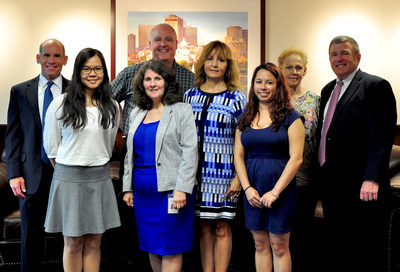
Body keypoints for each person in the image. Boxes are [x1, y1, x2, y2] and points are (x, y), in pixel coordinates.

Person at [316, 35, 397, 271]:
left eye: (344, 53)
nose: (338, 59)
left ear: (357, 57)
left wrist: (371, 178)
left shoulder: (375, 86)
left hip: (360, 185)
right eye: (333, 54)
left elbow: (381, 137)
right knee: (337, 247)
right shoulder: (327, 90)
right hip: (331, 183)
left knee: (363, 249)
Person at [43, 48, 121, 272]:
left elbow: (107, 144)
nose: (92, 73)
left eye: (97, 68)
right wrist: (69, 172)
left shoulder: (112, 106)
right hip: (69, 177)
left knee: (95, 241)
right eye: (86, 69)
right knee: (74, 242)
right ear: (78, 72)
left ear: (104, 72)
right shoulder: (60, 103)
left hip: (100, 177)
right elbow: (52, 149)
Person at [122, 60, 198, 272]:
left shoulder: (182, 110)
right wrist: (127, 188)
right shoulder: (137, 112)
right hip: (143, 196)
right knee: (152, 247)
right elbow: (130, 154)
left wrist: (182, 188)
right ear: (142, 84)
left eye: (158, 78)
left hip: (172, 194)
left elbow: (190, 152)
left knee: (171, 247)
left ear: (167, 82)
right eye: (148, 79)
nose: (153, 83)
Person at [234, 63, 305, 272]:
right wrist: (247, 189)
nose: (263, 87)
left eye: (269, 82)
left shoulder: (291, 117)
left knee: (279, 246)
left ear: (278, 86)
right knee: (260, 244)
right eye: (258, 82)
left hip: (280, 190)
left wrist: (275, 192)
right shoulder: (245, 117)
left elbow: (297, 159)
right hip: (252, 190)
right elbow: (238, 156)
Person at [5, 38, 69, 272]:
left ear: (65, 60)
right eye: (47, 55)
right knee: (30, 240)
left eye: (56, 56)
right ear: (38, 58)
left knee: (68, 240)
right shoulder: (20, 91)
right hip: (29, 176)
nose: (51, 61)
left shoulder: (76, 92)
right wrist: (14, 174)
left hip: (65, 176)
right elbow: (13, 136)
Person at [184, 40, 247, 272]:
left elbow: (245, 142)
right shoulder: (189, 96)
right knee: (202, 226)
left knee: (221, 226)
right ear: (202, 63)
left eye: (220, 60)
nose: (214, 64)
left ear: (228, 66)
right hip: (195, 175)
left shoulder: (236, 98)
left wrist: (239, 178)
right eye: (210, 59)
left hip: (224, 176)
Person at [277, 47, 320, 271]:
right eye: (289, 67)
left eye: (298, 67)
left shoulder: (316, 101)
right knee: (277, 236)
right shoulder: (270, 98)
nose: (294, 71)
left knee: (302, 234)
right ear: (280, 69)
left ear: (305, 70)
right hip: (275, 179)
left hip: (305, 180)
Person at [112, 23, 195, 135]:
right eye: (157, 39)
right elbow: (104, 102)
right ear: (150, 44)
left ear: (176, 44)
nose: (163, 44)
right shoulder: (130, 73)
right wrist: (117, 132)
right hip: (133, 149)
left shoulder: (191, 79)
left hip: (173, 150)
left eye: (169, 39)